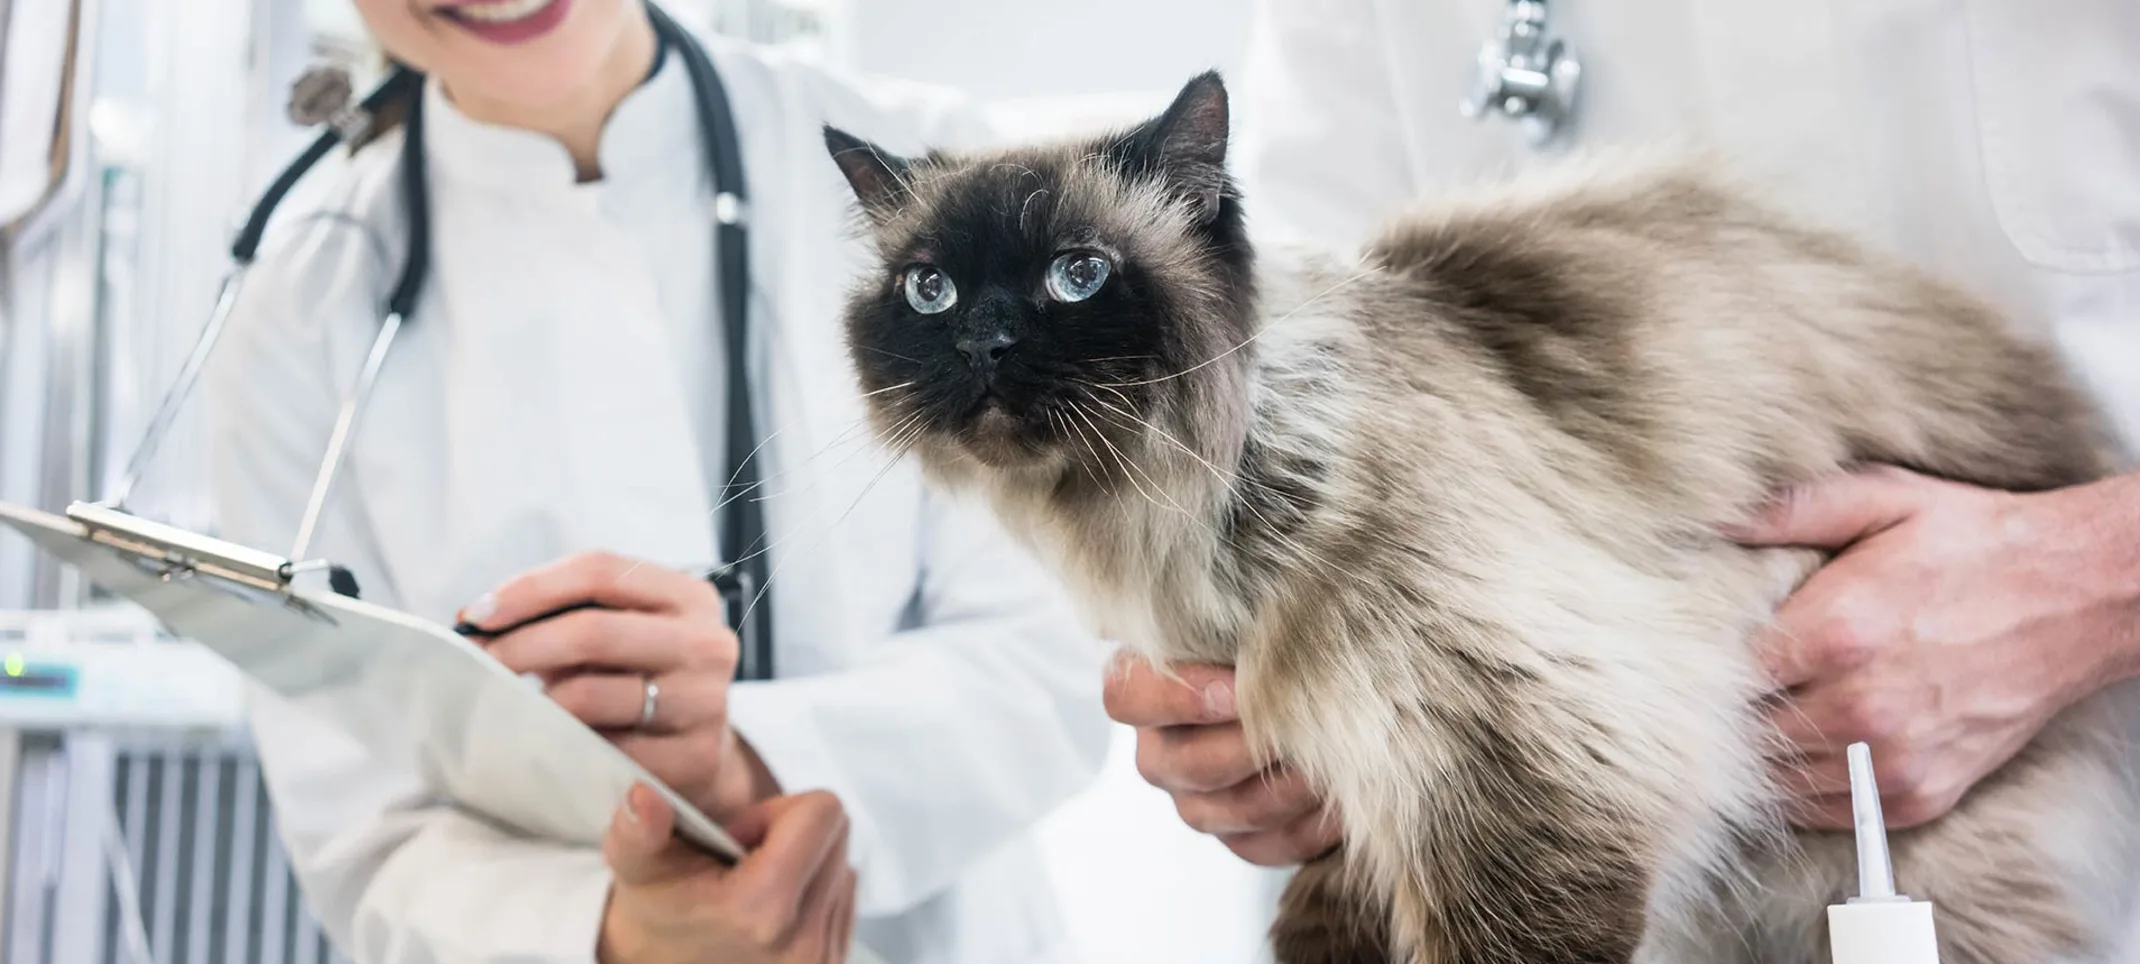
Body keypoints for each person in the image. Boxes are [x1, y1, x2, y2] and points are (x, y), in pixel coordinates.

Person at [1108, 0, 2140, 946]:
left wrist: (2093, 580)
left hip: (2083, 790)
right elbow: (1260, 355)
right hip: (1576, 808)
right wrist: (1250, 680)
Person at [203, 1, 1112, 961]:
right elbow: (362, 827)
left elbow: (1054, 651)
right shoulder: (292, 313)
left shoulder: (938, 181)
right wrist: (608, 932)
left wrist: (743, 762)